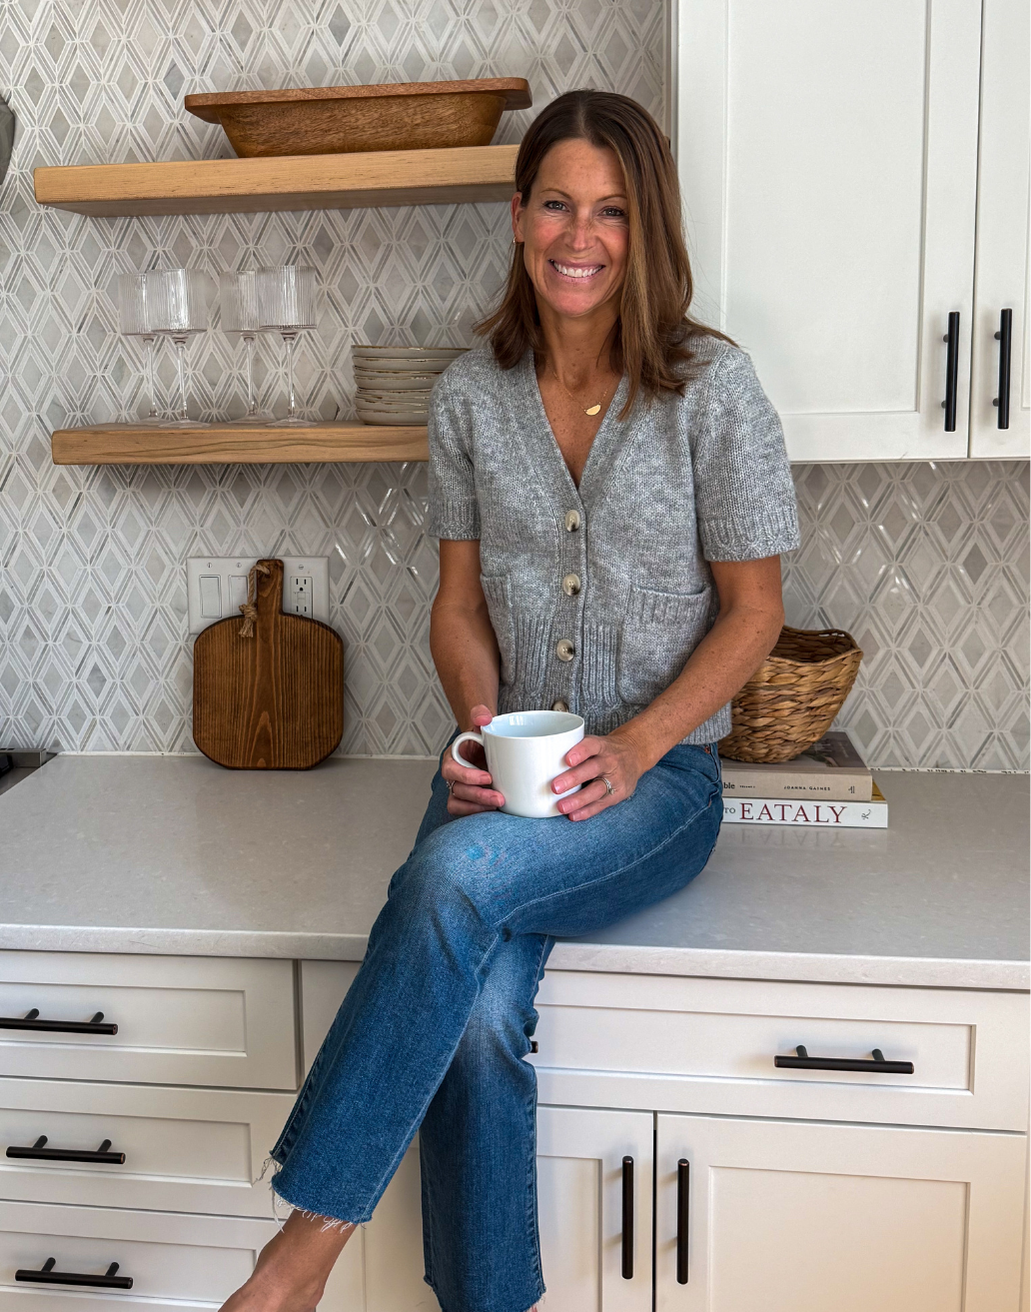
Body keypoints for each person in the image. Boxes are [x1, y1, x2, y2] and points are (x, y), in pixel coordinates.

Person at [222, 87, 799, 1312]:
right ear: (518, 214)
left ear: (646, 231)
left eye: (610, 211)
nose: (577, 237)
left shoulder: (713, 388)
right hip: (504, 767)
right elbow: (457, 607)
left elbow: (754, 612)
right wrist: (479, 730)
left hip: (660, 787)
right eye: (555, 204)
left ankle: (291, 1264)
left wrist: (640, 746)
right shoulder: (468, 396)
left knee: (445, 881)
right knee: (478, 1018)